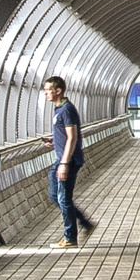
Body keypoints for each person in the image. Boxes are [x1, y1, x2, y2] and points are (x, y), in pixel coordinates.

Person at [42, 76, 96, 248]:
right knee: (55, 196)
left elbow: (72, 137)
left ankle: (70, 237)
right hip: (62, 158)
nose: (46, 94)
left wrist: (64, 164)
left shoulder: (66, 109)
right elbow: (66, 134)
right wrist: (54, 139)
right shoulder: (59, 109)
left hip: (68, 160)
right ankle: (84, 224)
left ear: (58, 91)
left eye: (48, 90)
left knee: (64, 198)